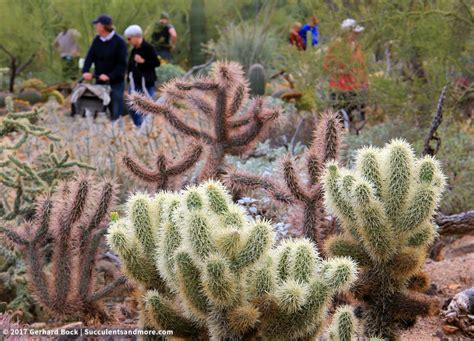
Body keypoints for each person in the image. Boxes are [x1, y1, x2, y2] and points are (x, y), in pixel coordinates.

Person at [82, 14, 128, 122]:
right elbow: (89, 57)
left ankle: (116, 131)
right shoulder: (97, 40)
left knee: (115, 108)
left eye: (97, 24)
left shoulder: (119, 42)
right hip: (100, 81)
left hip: (116, 82)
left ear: (102, 26)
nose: (95, 27)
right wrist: (85, 71)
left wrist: (109, 76)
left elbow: (122, 64)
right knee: (98, 109)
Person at [323, 18, 368, 122]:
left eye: (357, 33)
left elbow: (362, 67)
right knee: (341, 120)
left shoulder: (358, 47)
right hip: (340, 89)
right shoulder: (336, 47)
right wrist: (342, 72)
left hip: (356, 89)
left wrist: (365, 83)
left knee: (358, 120)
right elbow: (327, 66)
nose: (357, 35)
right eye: (354, 33)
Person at [124, 25, 160, 127]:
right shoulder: (133, 50)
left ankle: (147, 127)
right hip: (134, 83)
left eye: (129, 38)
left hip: (147, 82)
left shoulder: (149, 48)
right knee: (132, 106)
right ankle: (139, 126)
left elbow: (156, 63)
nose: (129, 41)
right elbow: (130, 65)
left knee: (147, 106)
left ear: (135, 36)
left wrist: (143, 61)